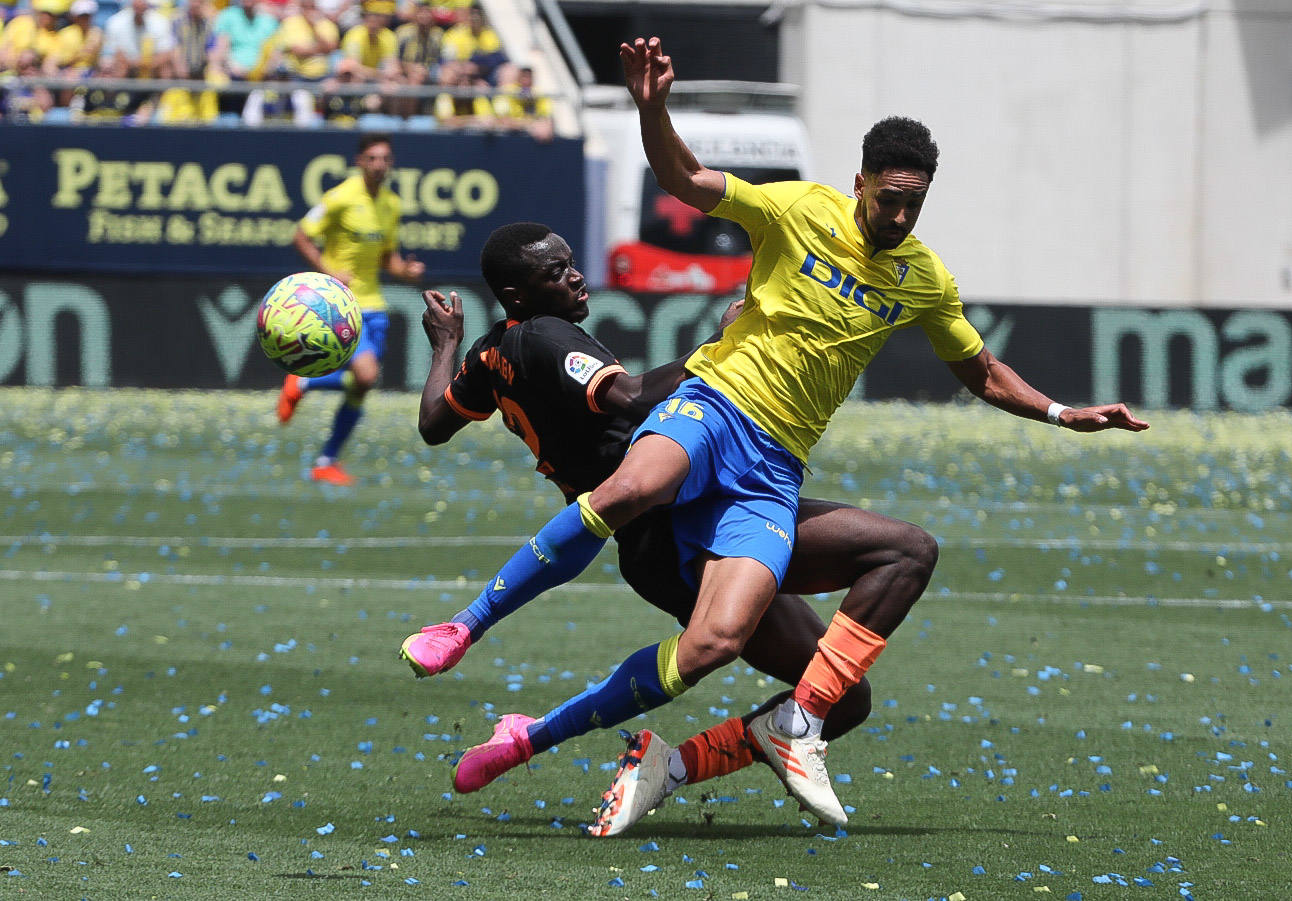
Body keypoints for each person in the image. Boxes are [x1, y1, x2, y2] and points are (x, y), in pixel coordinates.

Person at [415, 35, 1150, 827]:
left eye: (914, 204)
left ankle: (612, 741)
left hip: (771, 470)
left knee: (720, 648)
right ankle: (465, 624)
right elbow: (686, 179)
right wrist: (651, 106)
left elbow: (977, 369)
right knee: (639, 482)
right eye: (887, 198)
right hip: (717, 406)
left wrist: (1059, 412)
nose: (898, 216)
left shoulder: (925, 279)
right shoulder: (798, 208)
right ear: (858, 181)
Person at [403, 221, 937, 828]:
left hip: (685, 516)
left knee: (842, 694)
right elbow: (631, 398)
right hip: (667, 525)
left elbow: (434, 423)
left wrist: (446, 343)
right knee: (731, 643)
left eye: (571, 262)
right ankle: (506, 691)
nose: (575, 275)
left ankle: (576, 746)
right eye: (555, 272)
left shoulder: (490, 353)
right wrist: (719, 340)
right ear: (519, 296)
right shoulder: (545, 336)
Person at [276, 133, 425, 485]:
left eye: (385, 158)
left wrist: (405, 270)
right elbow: (300, 234)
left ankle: (326, 460)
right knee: (366, 376)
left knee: (362, 387)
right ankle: (303, 382)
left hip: (375, 305)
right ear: (360, 161)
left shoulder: (391, 204)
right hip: (340, 306)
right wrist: (328, 272)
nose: (379, 164)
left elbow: (388, 257)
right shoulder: (340, 197)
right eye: (372, 158)